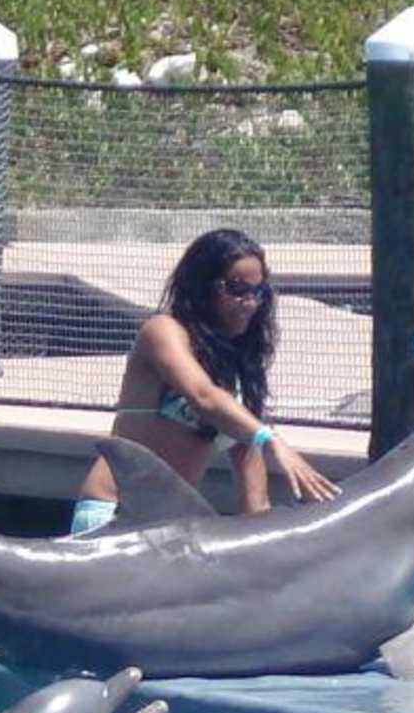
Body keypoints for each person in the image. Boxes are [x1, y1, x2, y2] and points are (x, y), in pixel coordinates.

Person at [71, 227, 338, 534]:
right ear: (201, 285)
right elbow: (203, 395)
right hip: (115, 512)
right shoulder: (163, 331)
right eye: (236, 289)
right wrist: (271, 440)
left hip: (170, 525)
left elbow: (255, 503)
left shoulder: (238, 376)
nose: (250, 302)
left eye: (258, 291)